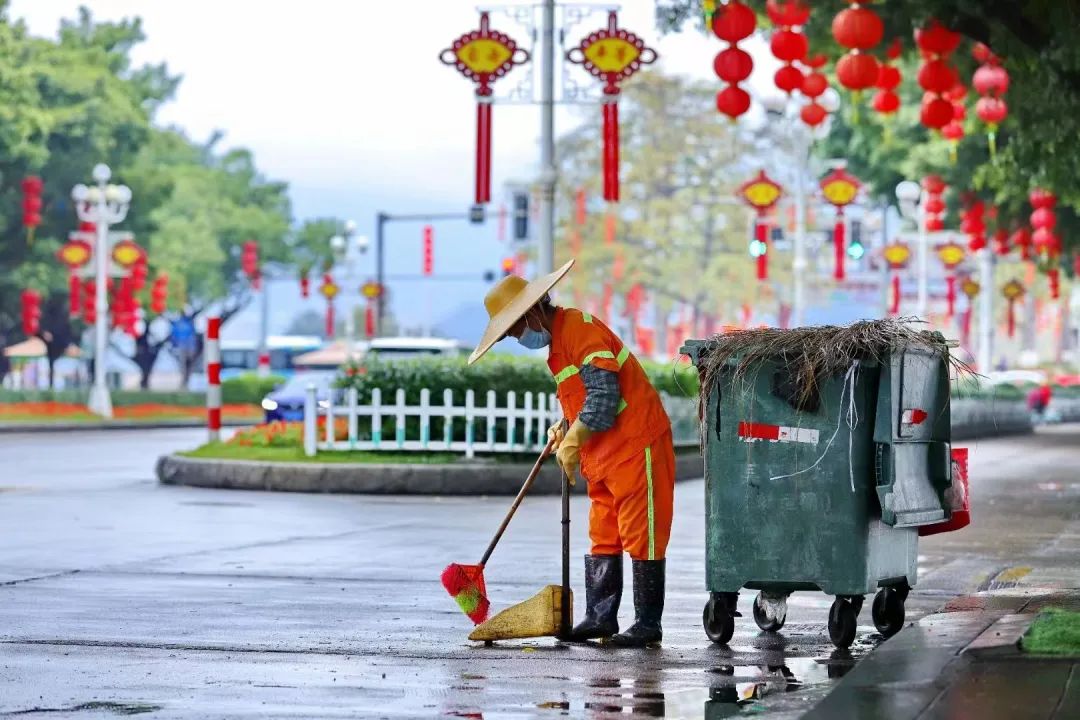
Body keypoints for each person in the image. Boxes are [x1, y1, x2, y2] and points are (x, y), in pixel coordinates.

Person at [468, 259, 676, 647]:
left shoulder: (578, 329)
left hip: (635, 444)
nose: (515, 338)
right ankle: (600, 618)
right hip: (603, 456)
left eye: (513, 330)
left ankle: (648, 624)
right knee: (604, 535)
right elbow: (582, 399)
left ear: (531, 313)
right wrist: (564, 427)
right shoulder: (557, 347)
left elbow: (604, 394)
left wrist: (575, 436)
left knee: (641, 533)